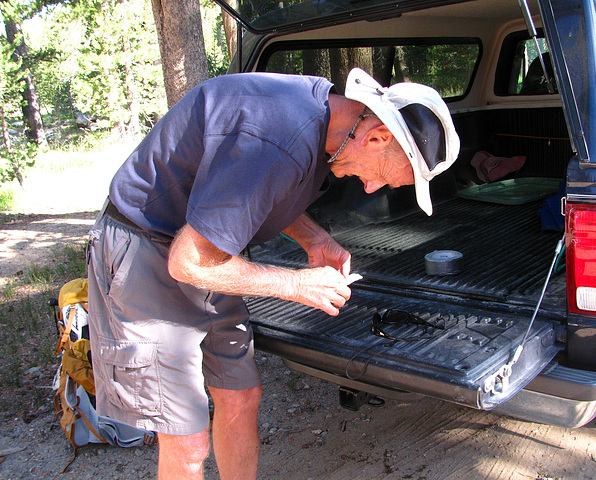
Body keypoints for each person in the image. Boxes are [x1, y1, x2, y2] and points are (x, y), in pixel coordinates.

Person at [86, 67, 459, 480]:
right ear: (376, 137)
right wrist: (295, 284)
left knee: (242, 396)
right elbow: (187, 263)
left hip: (207, 247)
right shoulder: (277, 137)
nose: (371, 189)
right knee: (188, 437)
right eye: (384, 177)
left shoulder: (327, 125)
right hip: (149, 249)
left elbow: (262, 189)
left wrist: (314, 239)